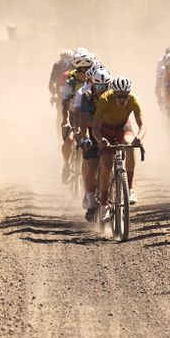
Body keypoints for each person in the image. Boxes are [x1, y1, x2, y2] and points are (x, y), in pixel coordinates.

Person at [94, 76, 144, 215]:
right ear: (113, 94)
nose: (122, 100)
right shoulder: (104, 99)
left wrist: (138, 138)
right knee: (107, 166)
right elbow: (95, 129)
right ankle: (104, 204)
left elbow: (142, 125)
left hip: (123, 127)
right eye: (119, 96)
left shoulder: (133, 99)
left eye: (125, 96)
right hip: (105, 130)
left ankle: (130, 189)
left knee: (130, 144)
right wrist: (100, 140)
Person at [77, 65, 111, 221]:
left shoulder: (113, 95)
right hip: (92, 131)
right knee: (91, 166)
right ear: (93, 84)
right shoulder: (87, 95)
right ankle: (91, 203)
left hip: (109, 130)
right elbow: (83, 119)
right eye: (99, 86)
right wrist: (84, 137)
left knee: (110, 163)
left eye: (105, 86)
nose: (102, 89)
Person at [60, 52, 94, 182]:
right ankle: (67, 165)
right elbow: (65, 102)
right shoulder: (71, 82)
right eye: (81, 70)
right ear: (76, 69)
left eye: (87, 69)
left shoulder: (94, 80)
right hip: (74, 115)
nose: (84, 73)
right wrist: (65, 120)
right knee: (68, 140)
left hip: (89, 115)